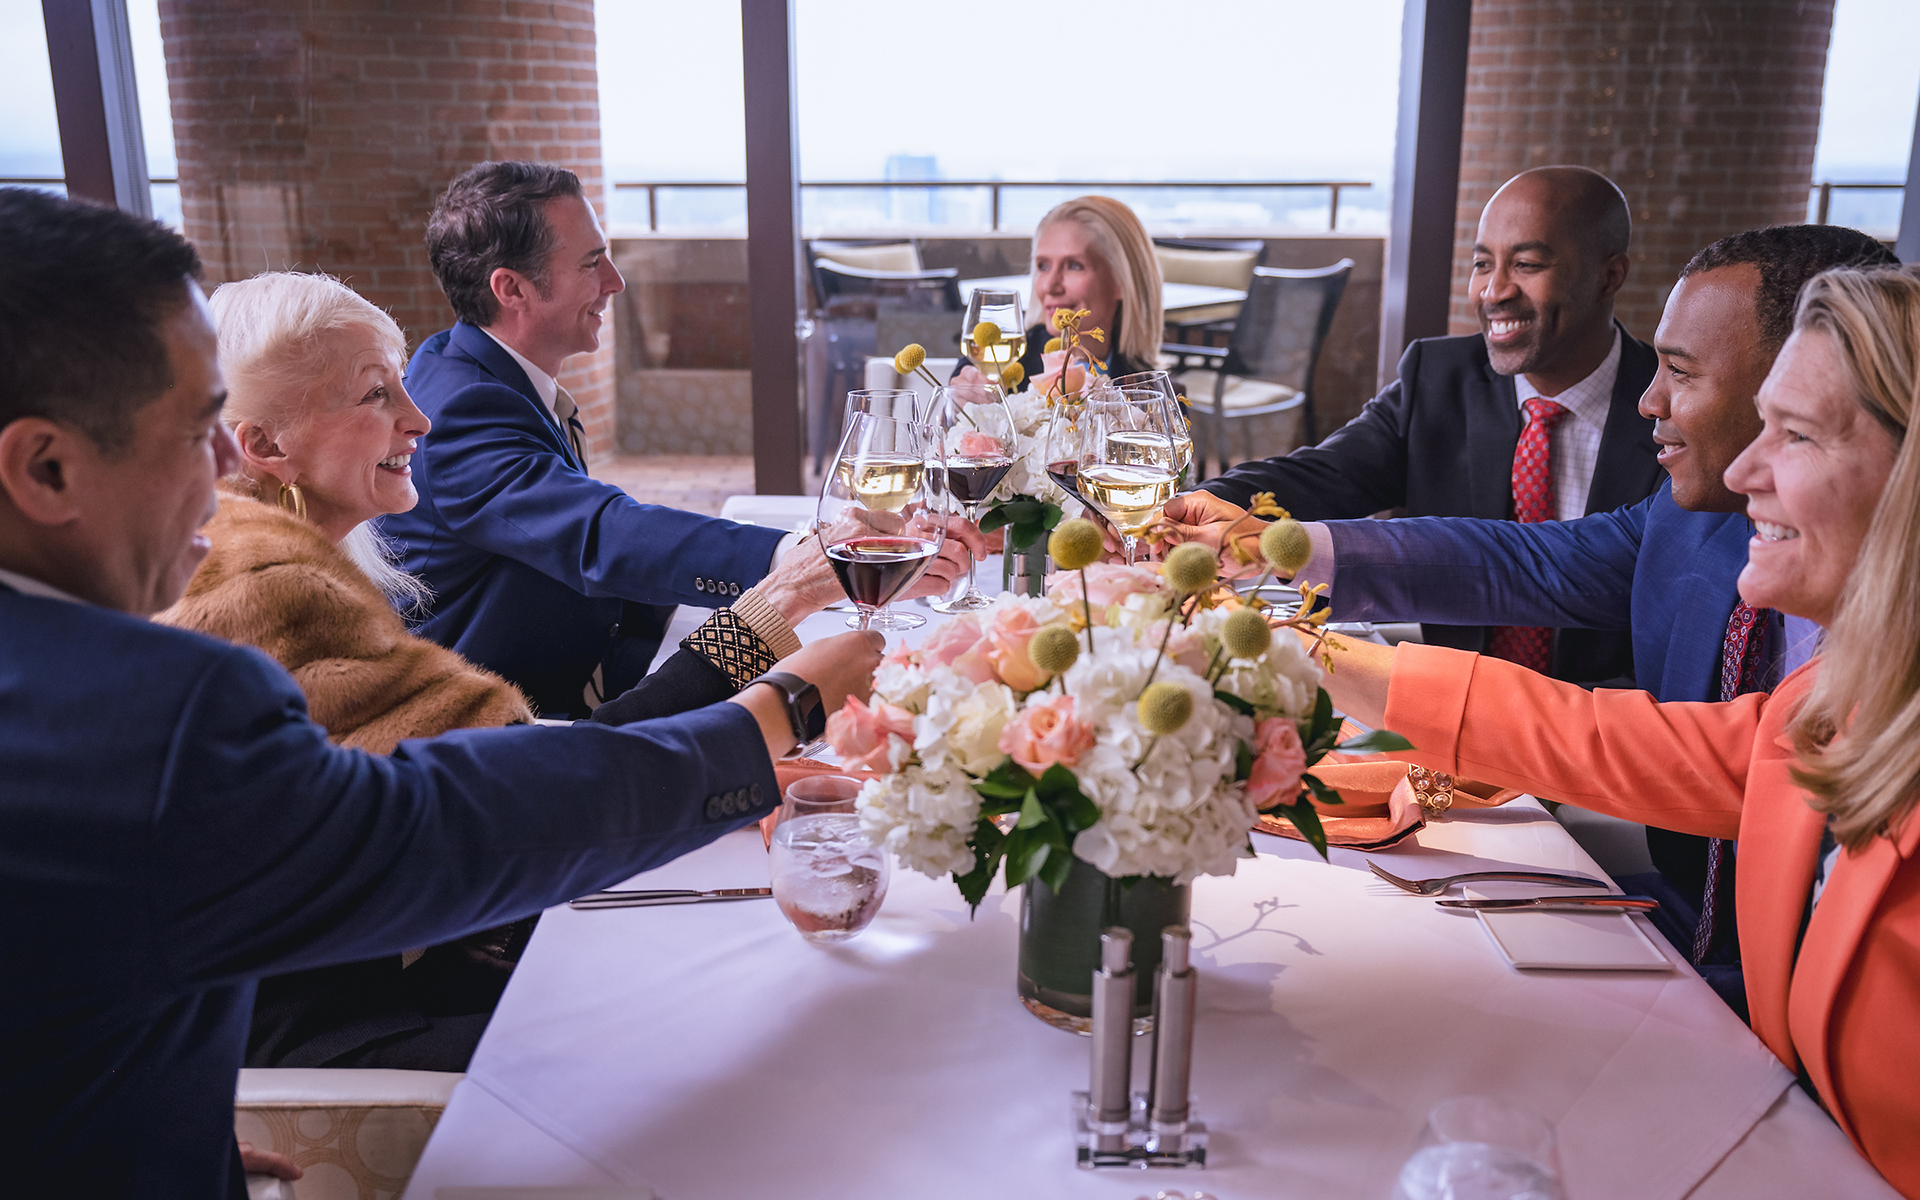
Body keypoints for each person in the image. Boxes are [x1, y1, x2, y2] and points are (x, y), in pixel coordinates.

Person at [0, 186, 880, 1197]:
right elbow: (454, 827)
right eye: (200, 427)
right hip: (362, 1016)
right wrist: (776, 706)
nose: (221, 466)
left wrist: (151, 1119)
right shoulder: (178, 689)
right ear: (46, 468)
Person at [1170, 226, 1900, 1013]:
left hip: (1791, 1006)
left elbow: (1689, 757)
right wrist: (1268, 548)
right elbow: (1519, 561)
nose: (1650, 401)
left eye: (1793, 430)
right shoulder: (1697, 517)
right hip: (1685, 923)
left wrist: (1301, 652)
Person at [1310, 265, 1919, 1197]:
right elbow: (1622, 741)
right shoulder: (1843, 698)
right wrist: (1308, 651)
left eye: (1794, 433)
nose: (1746, 469)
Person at [157, 270, 842, 1073]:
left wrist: (760, 648)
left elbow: (525, 774)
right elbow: (543, 789)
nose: (419, 418)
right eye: (377, 394)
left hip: (407, 958)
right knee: (741, 1017)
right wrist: (779, 677)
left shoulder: (259, 555)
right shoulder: (269, 589)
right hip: (344, 1026)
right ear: (266, 445)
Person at [383, 160, 977, 717]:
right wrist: (797, 561)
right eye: (592, 264)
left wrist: (809, 560)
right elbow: (599, 532)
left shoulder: (469, 366)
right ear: (512, 289)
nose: (616, 282)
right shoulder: (460, 409)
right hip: (508, 723)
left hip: (590, 667)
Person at [1167, 166, 1664, 687]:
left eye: (1526, 264)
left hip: (1604, 710)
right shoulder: (1440, 377)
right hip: (1446, 692)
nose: (1493, 291)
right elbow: (1323, 474)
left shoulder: (1672, 414)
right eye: (1482, 264)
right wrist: (1197, 509)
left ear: (1610, 275)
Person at [953, 195, 1164, 392]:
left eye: (1074, 265)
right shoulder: (990, 368)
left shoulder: (1149, 390)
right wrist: (962, 401)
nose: (1050, 286)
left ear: (1122, 281)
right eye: (1043, 266)